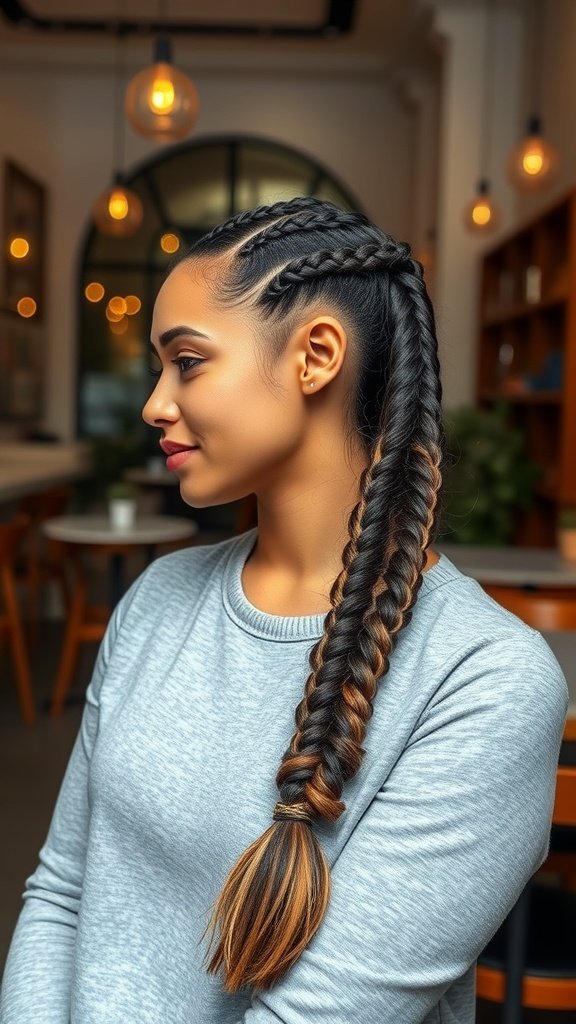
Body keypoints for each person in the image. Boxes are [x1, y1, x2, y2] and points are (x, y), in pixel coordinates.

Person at [0, 197, 568, 1024]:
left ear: (316, 355)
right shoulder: (156, 601)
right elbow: (60, 892)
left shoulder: (486, 682)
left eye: (187, 362)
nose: (156, 404)